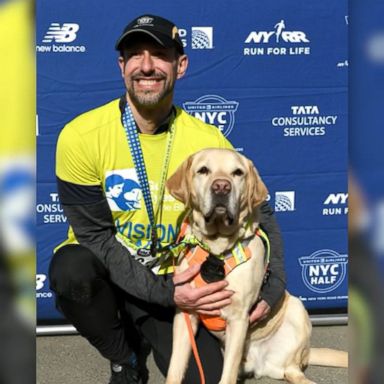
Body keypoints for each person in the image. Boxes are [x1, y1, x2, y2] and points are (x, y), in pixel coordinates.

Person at [49, 14, 286, 384]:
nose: (147, 66)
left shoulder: (207, 142)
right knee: (71, 270)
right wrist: (168, 295)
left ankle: (148, 333)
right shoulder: (80, 136)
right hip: (114, 275)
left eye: (160, 55)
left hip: (175, 282)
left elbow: (263, 218)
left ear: (181, 65)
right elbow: (94, 236)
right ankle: (123, 356)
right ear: (122, 66)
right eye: (135, 55)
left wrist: (271, 291)